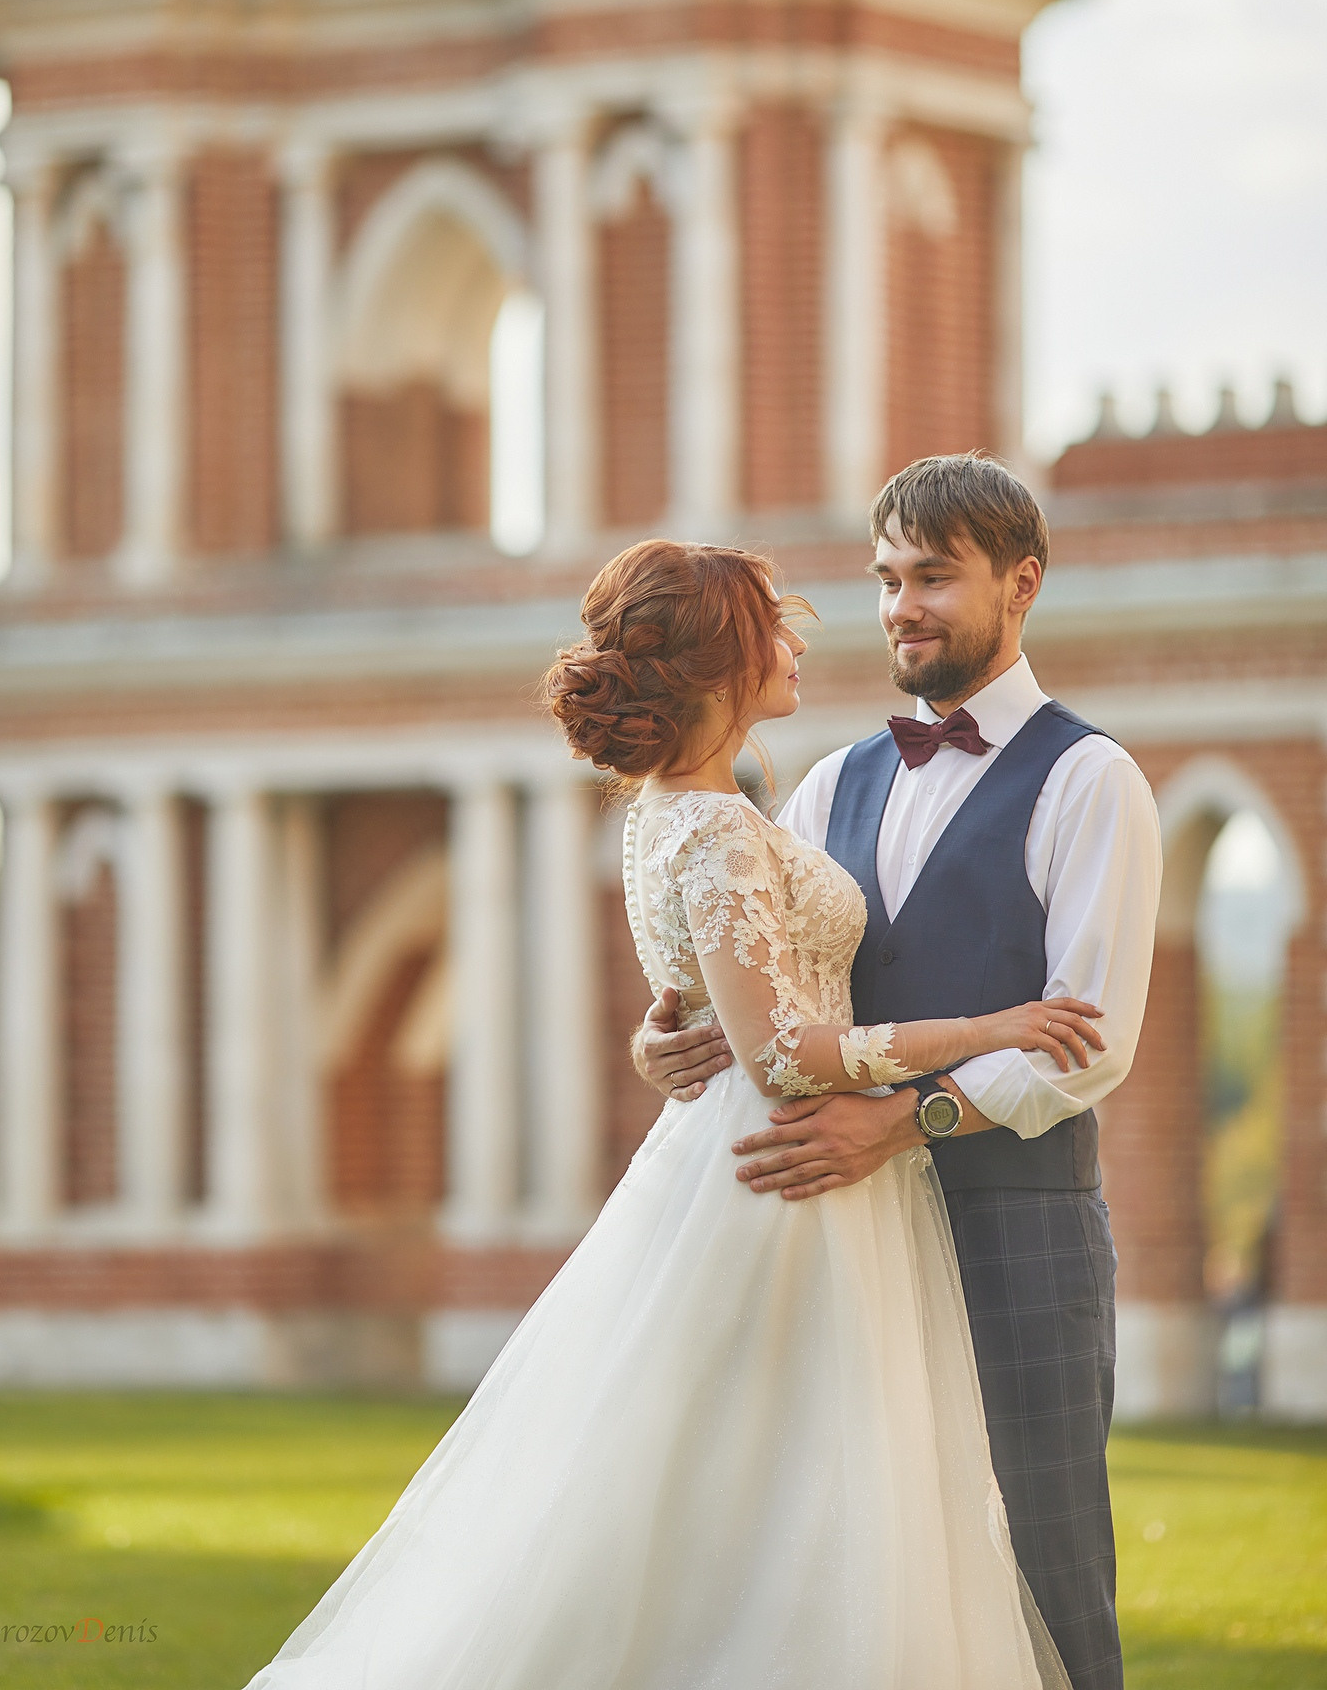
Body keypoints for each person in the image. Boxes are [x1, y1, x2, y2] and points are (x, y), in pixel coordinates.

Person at [247, 536, 1090, 1690]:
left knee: (739, 1480)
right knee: (798, 1486)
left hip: (740, 1155)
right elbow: (788, 1055)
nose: (799, 639)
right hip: (784, 1174)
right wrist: (994, 1027)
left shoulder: (675, 815)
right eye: (769, 627)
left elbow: (710, 1003)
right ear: (715, 667)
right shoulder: (722, 826)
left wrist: (661, 1040)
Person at [635, 455, 1162, 1690]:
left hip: (1019, 1230)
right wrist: (660, 1043)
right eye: (885, 579)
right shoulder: (827, 785)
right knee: (859, 1567)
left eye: (934, 576)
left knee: (1046, 1562)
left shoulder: (1092, 782)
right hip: (847, 1241)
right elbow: (764, 991)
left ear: (1021, 584)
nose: (901, 607)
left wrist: (902, 1123)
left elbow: (1090, 1042)